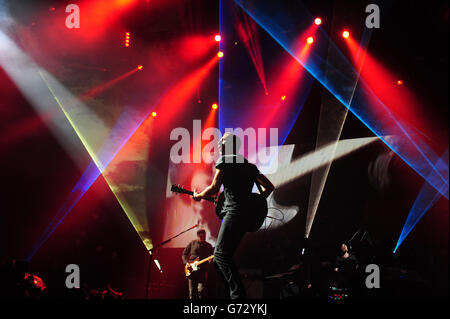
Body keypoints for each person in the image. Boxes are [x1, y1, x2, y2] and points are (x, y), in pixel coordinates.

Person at [193, 132, 275, 299]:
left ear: (229, 145)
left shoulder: (225, 160)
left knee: (220, 256)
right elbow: (269, 187)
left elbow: (215, 187)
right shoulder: (249, 166)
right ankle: (235, 294)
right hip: (246, 217)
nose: (218, 143)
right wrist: (254, 201)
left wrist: (199, 195)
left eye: (222, 140)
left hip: (234, 213)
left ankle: (238, 296)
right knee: (220, 259)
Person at [182, 229, 214, 299]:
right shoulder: (192, 243)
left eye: (204, 237)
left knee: (201, 291)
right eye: (201, 237)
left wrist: (210, 261)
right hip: (191, 270)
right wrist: (186, 263)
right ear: (197, 236)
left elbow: (212, 259)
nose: (203, 238)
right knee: (191, 292)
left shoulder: (209, 246)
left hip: (201, 272)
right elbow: (184, 254)